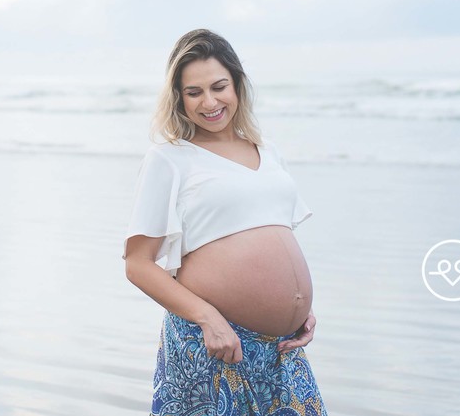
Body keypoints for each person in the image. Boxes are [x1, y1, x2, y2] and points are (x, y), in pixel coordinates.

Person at [123, 28, 328, 415]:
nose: (210, 102)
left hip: (282, 349)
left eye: (219, 86)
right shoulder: (169, 158)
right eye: (194, 92)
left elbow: (272, 236)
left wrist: (299, 310)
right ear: (178, 98)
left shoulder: (267, 152)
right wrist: (208, 317)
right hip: (214, 342)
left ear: (237, 84)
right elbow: (137, 264)